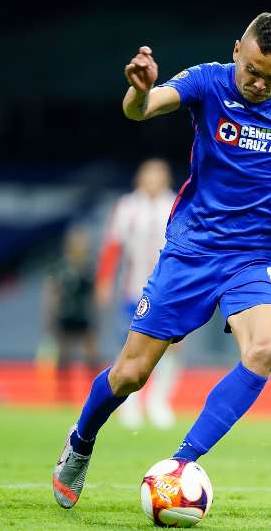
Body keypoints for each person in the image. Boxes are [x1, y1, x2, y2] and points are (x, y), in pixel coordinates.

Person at [53, 12, 271, 509]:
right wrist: (140, 92)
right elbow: (142, 110)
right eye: (252, 70)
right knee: (130, 375)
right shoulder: (207, 81)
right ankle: (80, 441)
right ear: (236, 52)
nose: (261, 84)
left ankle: (182, 462)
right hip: (193, 250)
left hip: (256, 252)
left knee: (266, 349)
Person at [95, 159, 179, 430]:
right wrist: (105, 280)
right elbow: (113, 245)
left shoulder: (175, 203)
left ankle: (158, 402)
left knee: (173, 347)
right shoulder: (127, 206)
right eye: (148, 174)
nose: (153, 179)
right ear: (139, 178)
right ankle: (128, 403)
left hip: (170, 290)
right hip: (134, 289)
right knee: (128, 345)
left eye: (158, 174)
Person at [42, 227, 101, 403]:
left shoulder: (90, 267)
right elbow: (52, 291)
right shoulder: (61, 266)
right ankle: (63, 396)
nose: (81, 246)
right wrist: (50, 316)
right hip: (66, 314)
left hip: (84, 315)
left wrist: (96, 316)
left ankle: (95, 396)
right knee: (64, 356)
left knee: (92, 357)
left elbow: (95, 293)